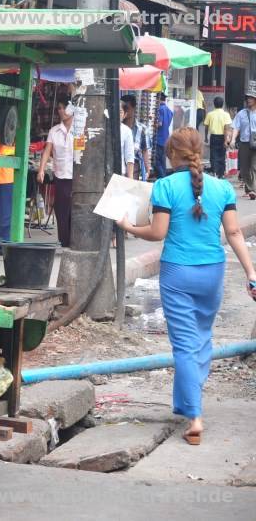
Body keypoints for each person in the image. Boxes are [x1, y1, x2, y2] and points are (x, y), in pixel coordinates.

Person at [116, 127, 256, 446]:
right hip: (212, 272)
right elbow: (235, 234)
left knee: (183, 344)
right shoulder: (222, 188)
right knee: (202, 338)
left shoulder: (164, 186)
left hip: (178, 273)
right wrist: (251, 273)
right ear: (200, 152)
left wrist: (128, 227)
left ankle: (194, 417)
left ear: (171, 154)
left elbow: (157, 232)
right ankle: (186, 400)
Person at [37, 97, 74, 248]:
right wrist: (41, 169)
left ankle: (73, 239)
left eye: (63, 107)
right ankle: (64, 241)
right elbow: (47, 151)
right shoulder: (54, 131)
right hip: (60, 174)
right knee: (60, 209)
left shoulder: (79, 130)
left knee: (73, 209)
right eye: (59, 108)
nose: (60, 111)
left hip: (75, 175)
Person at [230, 85, 256, 200]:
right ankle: (251, 188)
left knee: (254, 167)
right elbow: (236, 127)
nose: (249, 100)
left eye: (251, 98)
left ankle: (252, 190)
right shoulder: (242, 113)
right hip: (245, 143)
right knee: (244, 169)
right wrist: (232, 139)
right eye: (248, 98)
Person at [121, 95, 151, 181]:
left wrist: (147, 169)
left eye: (127, 108)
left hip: (134, 168)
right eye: (123, 108)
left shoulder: (142, 129)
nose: (125, 111)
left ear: (133, 108)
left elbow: (144, 150)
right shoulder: (116, 128)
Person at [203, 97, 232, 179]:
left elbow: (206, 127)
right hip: (223, 136)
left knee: (213, 155)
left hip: (213, 137)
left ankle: (214, 172)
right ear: (222, 104)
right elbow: (227, 127)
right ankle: (221, 173)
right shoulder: (226, 114)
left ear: (214, 104)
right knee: (222, 155)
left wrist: (206, 137)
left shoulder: (210, 114)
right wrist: (226, 140)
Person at [153, 92, 173, 178]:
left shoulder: (160, 109)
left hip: (159, 139)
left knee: (156, 161)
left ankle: (162, 178)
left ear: (158, 99)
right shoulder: (169, 111)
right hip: (166, 138)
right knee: (163, 161)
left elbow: (159, 124)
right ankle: (163, 177)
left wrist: (152, 123)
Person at [120, 106, 135, 179]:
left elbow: (129, 157)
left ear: (125, 115)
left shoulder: (126, 131)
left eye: (120, 112)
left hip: (119, 174)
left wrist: (130, 178)